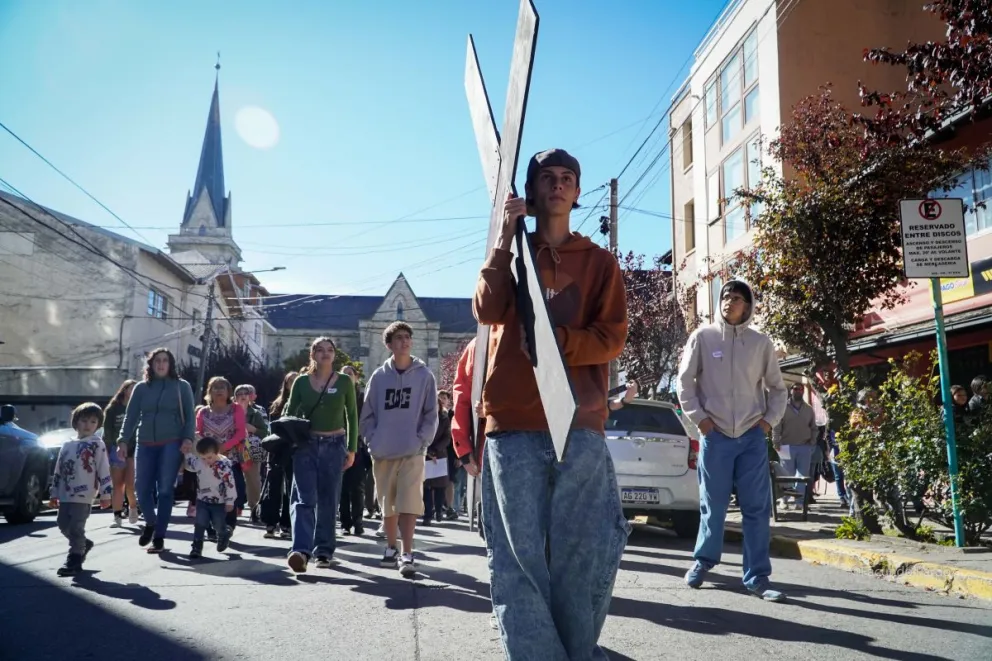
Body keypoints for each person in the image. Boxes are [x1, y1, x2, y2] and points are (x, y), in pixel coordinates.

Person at [472, 148, 629, 659]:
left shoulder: (600, 263)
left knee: (583, 555)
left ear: (578, 192)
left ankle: (577, 651)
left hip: (578, 423)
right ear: (533, 192)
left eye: (567, 178)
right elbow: (488, 309)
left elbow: (611, 338)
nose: (558, 185)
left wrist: (557, 340)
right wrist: (501, 243)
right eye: (547, 178)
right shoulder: (513, 253)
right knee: (518, 560)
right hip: (513, 420)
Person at [677, 279, 788, 601]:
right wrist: (703, 422)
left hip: (752, 435)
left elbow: (777, 388)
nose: (729, 302)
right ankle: (702, 562)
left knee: (756, 508)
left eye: (737, 298)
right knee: (713, 506)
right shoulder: (702, 337)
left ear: (748, 305)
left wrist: (767, 423)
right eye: (725, 297)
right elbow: (684, 384)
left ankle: (757, 578)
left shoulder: (760, 343)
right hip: (716, 436)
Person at [359, 321, 438, 577]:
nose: (405, 341)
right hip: (383, 451)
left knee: (409, 502)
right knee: (387, 503)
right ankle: (391, 548)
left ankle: (407, 553)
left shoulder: (425, 375)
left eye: (408, 337)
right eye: (399, 338)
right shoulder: (379, 377)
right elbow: (368, 413)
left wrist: (421, 440)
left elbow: (431, 414)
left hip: (412, 451)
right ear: (389, 344)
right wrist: (372, 440)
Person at [284, 337, 358, 573]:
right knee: (304, 500)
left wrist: (352, 448)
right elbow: (289, 412)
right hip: (306, 446)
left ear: (334, 355)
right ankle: (301, 552)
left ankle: (324, 551)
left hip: (335, 445)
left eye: (330, 350)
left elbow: (352, 416)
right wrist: (289, 436)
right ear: (313, 355)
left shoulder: (345, 381)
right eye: (320, 350)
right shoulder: (302, 382)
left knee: (328, 500)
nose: (325, 353)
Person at [118, 348, 196, 553]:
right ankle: (150, 523)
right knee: (141, 488)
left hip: (171, 443)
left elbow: (190, 416)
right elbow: (131, 417)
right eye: (157, 361)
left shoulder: (182, 386)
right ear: (151, 365)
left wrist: (188, 438)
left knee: (164, 490)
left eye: (165, 361)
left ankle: (159, 536)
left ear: (170, 365)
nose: (161, 364)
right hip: (144, 443)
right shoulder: (142, 388)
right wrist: (123, 440)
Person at [49, 402, 112, 576]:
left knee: (76, 526)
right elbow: (59, 470)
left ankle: (74, 559)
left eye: (93, 422)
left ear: (98, 425)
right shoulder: (67, 445)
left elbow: (104, 468)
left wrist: (106, 494)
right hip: (65, 493)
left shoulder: (96, 444)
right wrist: (54, 493)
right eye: (84, 420)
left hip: (84, 494)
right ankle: (83, 543)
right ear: (76, 422)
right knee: (63, 524)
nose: (88, 425)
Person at [196, 377, 248, 534]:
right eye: (215, 388)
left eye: (222, 387)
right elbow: (198, 433)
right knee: (210, 493)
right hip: (208, 462)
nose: (218, 390)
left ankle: (229, 526)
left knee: (232, 491)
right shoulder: (203, 412)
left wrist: (224, 447)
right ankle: (211, 527)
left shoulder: (236, 409)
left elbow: (240, 432)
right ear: (209, 392)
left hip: (231, 459)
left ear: (228, 392)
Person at [184, 436, 237, 559]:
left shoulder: (224, 466)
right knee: (200, 523)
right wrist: (186, 453)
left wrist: (230, 501)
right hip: (202, 499)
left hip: (219, 501)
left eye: (210, 457)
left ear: (216, 452)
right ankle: (196, 547)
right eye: (203, 458)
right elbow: (192, 463)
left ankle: (224, 534)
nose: (207, 461)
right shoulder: (200, 463)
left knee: (218, 524)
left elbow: (230, 484)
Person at [261, 371, 298, 540]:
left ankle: (287, 524)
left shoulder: (303, 402)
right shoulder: (277, 404)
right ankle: (270, 522)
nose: (293, 383)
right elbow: (272, 428)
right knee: (273, 486)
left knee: (291, 488)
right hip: (277, 449)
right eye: (290, 381)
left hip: (294, 449)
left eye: (296, 380)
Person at [771, 383, 818, 510]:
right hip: (786, 446)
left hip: (804, 446)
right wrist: (776, 442)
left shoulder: (808, 409)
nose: (799, 391)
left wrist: (812, 442)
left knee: (803, 476)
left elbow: (814, 427)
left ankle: (800, 502)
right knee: (786, 475)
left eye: (801, 389)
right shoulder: (783, 408)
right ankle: (784, 500)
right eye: (796, 389)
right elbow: (776, 426)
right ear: (791, 391)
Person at [103, 379, 139, 527]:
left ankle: (133, 508)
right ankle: (117, 516)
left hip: (133, 450)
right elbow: (108, 431)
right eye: (131, 388)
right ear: (124, 390)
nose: (134, 391)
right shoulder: (113, 409)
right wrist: (112, 447)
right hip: (116, 450)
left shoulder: (139, 408)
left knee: (130, 485)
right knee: (118, 485)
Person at [340, 365, 369, 536]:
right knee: (343, 487)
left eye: (350, 374)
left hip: (358, 446)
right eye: (344, 374)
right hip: (338, 445)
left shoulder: (362, 398)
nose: (347, 376)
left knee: (358, 486)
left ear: (356, 378)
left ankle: (358, 522)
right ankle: (345, 523)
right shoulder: (337, 395)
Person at [235, 384, 268, 523]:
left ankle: (255, 509)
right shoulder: (230, 412)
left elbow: (265, 432)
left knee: (253, 480)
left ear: (250, 397)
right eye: (239, 393)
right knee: (233, 479)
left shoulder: (256, 414)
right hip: (232, 449)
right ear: (234, 397)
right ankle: (232, 507)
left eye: (246, 393)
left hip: (250, 450)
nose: (243, 396)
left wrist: (253, 429)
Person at [423, 393, 452, 526]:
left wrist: (435, 450)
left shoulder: (445, 418)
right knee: (426, 487)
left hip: (439, 455)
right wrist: (428, 451)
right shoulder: (422, 418)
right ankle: (428, 514)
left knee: (440, 486)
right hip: (425, 455)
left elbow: (447, 437)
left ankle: (439, 510)